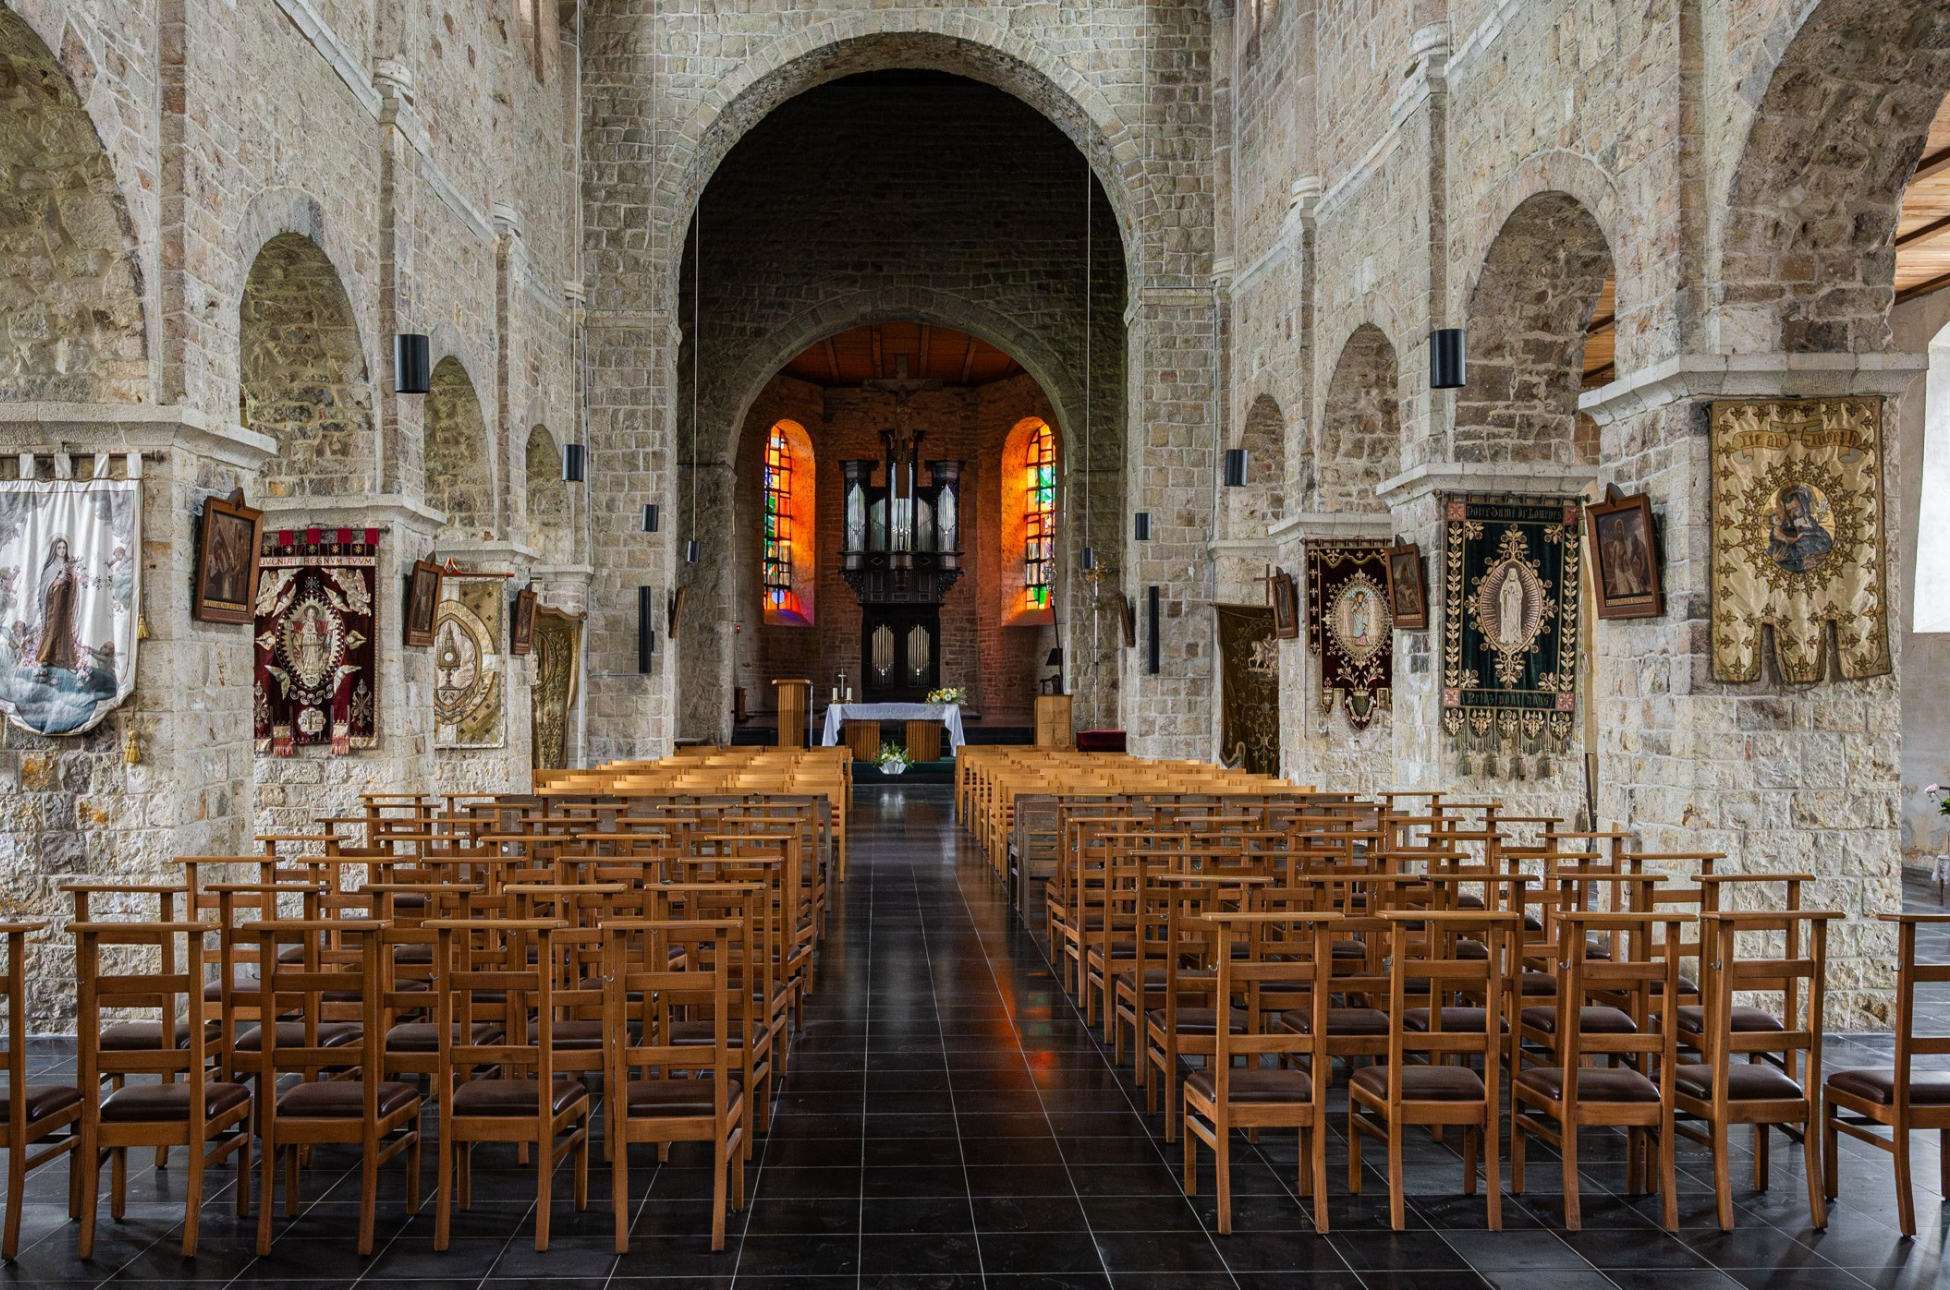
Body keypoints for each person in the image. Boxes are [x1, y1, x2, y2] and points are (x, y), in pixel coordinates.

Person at [33, 537, 80, 672]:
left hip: (66, 604)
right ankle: (44, 657)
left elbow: (73, 585)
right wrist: (57, 582)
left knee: (66, 630)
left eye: (64, 547)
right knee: (52, 628)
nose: (62, 550)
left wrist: (70, 578)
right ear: (54, 550)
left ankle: (68, 662)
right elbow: (45, 589)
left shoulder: (69, 566)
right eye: (59, 548)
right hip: (54, 605)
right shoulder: (50, 568)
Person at [1768, 483, 1833, 573]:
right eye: (1789, 511)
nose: (1792, 515)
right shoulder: (1785, 532)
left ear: (1805, 507)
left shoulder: (1822, 535)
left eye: (1796, 509)